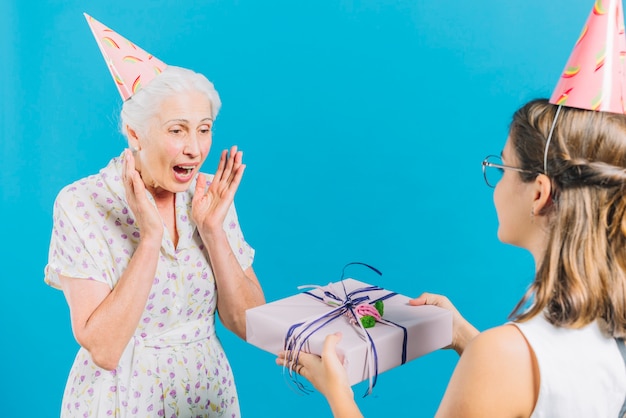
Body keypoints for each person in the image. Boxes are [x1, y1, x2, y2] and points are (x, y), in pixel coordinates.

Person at [277, 97, 626, 417]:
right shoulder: (608, 333)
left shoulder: (501, 354)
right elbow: (544, 390)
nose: (498, 181)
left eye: (504, 168)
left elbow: (512, 371)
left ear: (538, 194)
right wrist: (462, 336)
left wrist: (338, 393)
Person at [44, 15, 264, 418]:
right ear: (134, 132)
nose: (195, 149)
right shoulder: (82, 203)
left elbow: (250, 324)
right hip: (121, 400)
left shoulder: (211, 196)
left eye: (204, 129)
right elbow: (105, 349)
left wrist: (213, 230)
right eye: (177, 131)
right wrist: (149, 237)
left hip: (207, 394)